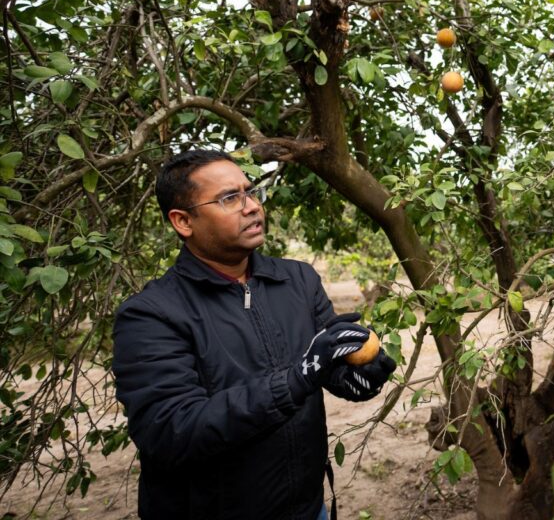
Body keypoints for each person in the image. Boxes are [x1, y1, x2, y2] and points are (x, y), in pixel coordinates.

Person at [112, 149, 396, 520]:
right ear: (183, 221)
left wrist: (358, 376)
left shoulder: (297, 279)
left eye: (250, 192)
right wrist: (296, 378)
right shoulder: (150, 314)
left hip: (308, 510)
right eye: (230, 198)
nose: (251, 207)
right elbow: (170, 432)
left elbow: (325, 367)